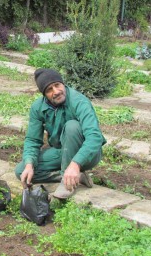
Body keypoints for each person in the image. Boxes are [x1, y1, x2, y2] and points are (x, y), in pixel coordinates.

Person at [15, 68, 106, 199]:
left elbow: (94, 137)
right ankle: (77, 177)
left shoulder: (79, 102)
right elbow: (32, 140)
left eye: (57, 85)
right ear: (44, 94)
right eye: (49, 90)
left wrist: (76, 164)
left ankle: (67, 180)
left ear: (63, 83)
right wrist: (29, 164)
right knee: (21, 171)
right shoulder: (38, 107)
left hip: (87, 155)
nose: (56, 91)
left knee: (72, 126)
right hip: (62, 151)